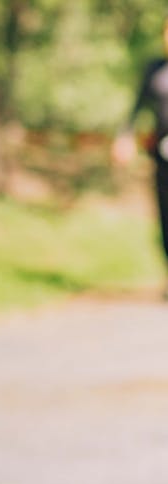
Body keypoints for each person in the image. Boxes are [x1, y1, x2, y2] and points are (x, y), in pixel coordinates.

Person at [111, 15, 168, 297]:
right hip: (162, 155)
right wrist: (125, 137)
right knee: (165, 215)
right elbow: (137, 108)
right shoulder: (154, 69)